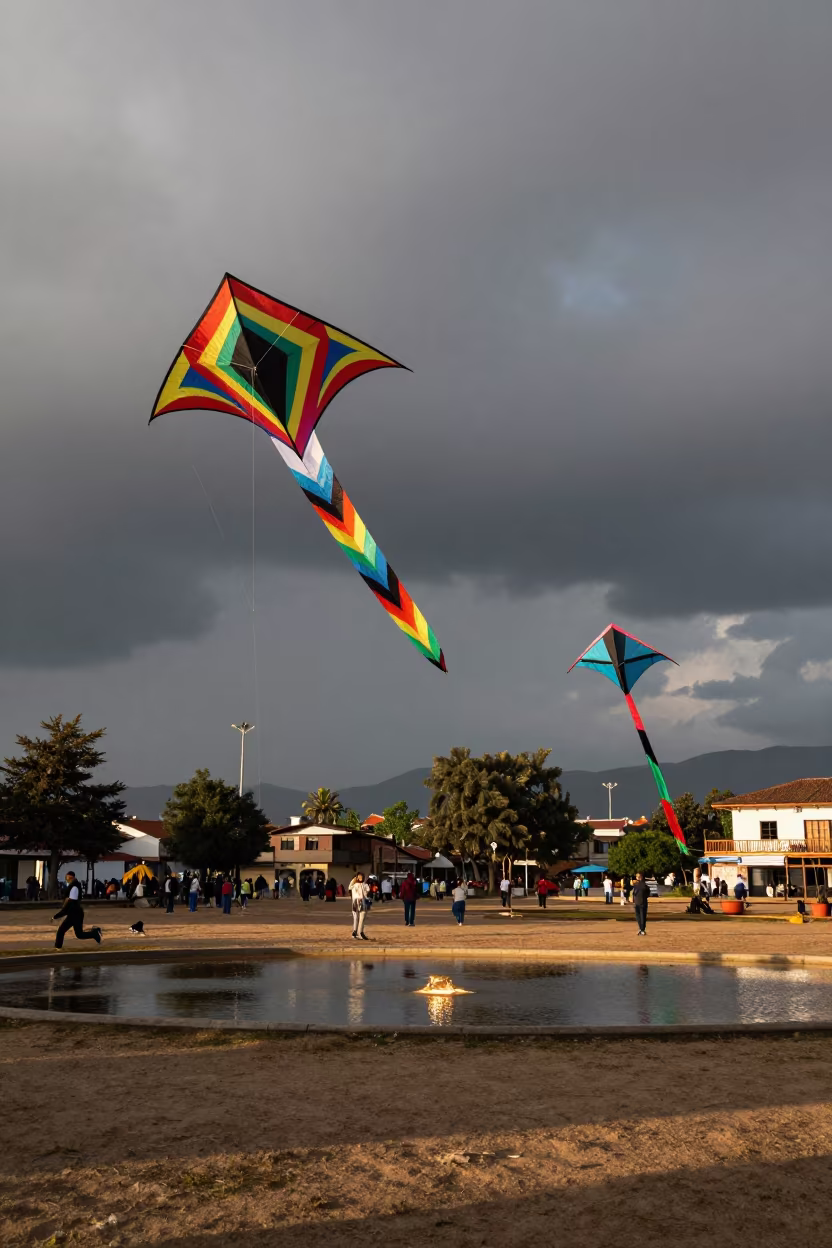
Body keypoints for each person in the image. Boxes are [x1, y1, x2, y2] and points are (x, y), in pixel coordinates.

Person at [53, 872, 101, 949]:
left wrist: (58, 915)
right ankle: (95, 933)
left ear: (72, 877)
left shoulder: (74, 887)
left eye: (68, 878)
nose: (67, 880)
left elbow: (71, 902)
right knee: (79, 934)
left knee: (61, 931)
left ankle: (57, 947)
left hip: (74, 913)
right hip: (75, 913)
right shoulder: (73, 886)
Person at [349, 872, 370, 940]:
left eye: (361, 877)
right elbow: (350, 887)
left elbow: (367, 891)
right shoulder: (354, 885)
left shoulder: (365, 885)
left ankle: (360, 932)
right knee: (356, 918)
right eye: (359, 877)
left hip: (363, 902)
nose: (360, 878)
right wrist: (355, 879)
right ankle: (355, 932)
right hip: (356, 902)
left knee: (362, 918)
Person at [632, 871, 649, 936]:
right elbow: (634, 893)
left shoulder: (644, 885)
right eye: (637, 877)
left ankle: (642, 929)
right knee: (638, 917)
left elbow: (647, 893)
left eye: (639, 877)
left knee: (643, 917)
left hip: (643, 902)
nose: (638, 878)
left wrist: (643, 899)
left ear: (642, 877)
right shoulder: (635, 885)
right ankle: (640, 928)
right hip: (637, 903)